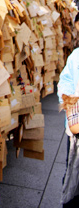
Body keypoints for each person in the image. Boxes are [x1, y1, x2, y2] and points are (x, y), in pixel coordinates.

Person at [58, 48, 79, 206]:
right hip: (76, 131)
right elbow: (65, 82)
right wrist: (69, 105)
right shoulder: (76, 56)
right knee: (72, 172)